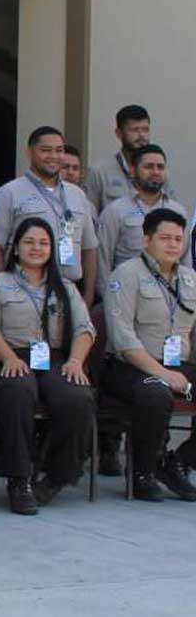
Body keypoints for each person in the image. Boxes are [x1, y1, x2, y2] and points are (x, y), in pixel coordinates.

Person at [0, 217, 97, 515]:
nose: (36, 248)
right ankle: (19, 479)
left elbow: (85, 329)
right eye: (29, 242)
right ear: (16, 248)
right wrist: (8, 357)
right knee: (18, 391)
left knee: (78, 397)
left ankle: (57, 477)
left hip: (55, 359)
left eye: (43, 243)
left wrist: (76, 361)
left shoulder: (65, 287)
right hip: (8, 356)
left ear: (52, 249)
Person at [103, 208, 196, 502]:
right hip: (131, 367)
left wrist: (177, 373)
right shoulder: (126, 275)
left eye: (178, 239)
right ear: (146, 240)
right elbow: (123, 339)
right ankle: (143, 471)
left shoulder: (190, 279)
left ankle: (178, 462)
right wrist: (165, 375)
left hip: (177, 364)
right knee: (155, 393)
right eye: (165, 238)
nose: (172, 245)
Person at [0, 127, 99, 306]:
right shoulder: (9, 193)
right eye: (46, 150)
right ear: (29, 153)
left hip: (70, 289)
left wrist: (88, 295)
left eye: (59, 150)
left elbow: (89, 248)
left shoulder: (77, 195)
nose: (53, 156)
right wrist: (1, 292)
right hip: (23, 290)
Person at [98, 144, 187, 291]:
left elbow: (185, 259)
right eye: (149, 167)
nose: (155, 172)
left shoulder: (178, 211)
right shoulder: (115, 211)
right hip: (128, 292)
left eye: (160, 167)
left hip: (169, 294)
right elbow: (103, 261)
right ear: (133, 171)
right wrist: (108, 295)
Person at [85, 104, 153, 213]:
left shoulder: (157, 171)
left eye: (145, 130)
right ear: (119, 133)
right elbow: (89, 215)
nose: (141, 135)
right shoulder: (99, 171)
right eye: (135, 130)